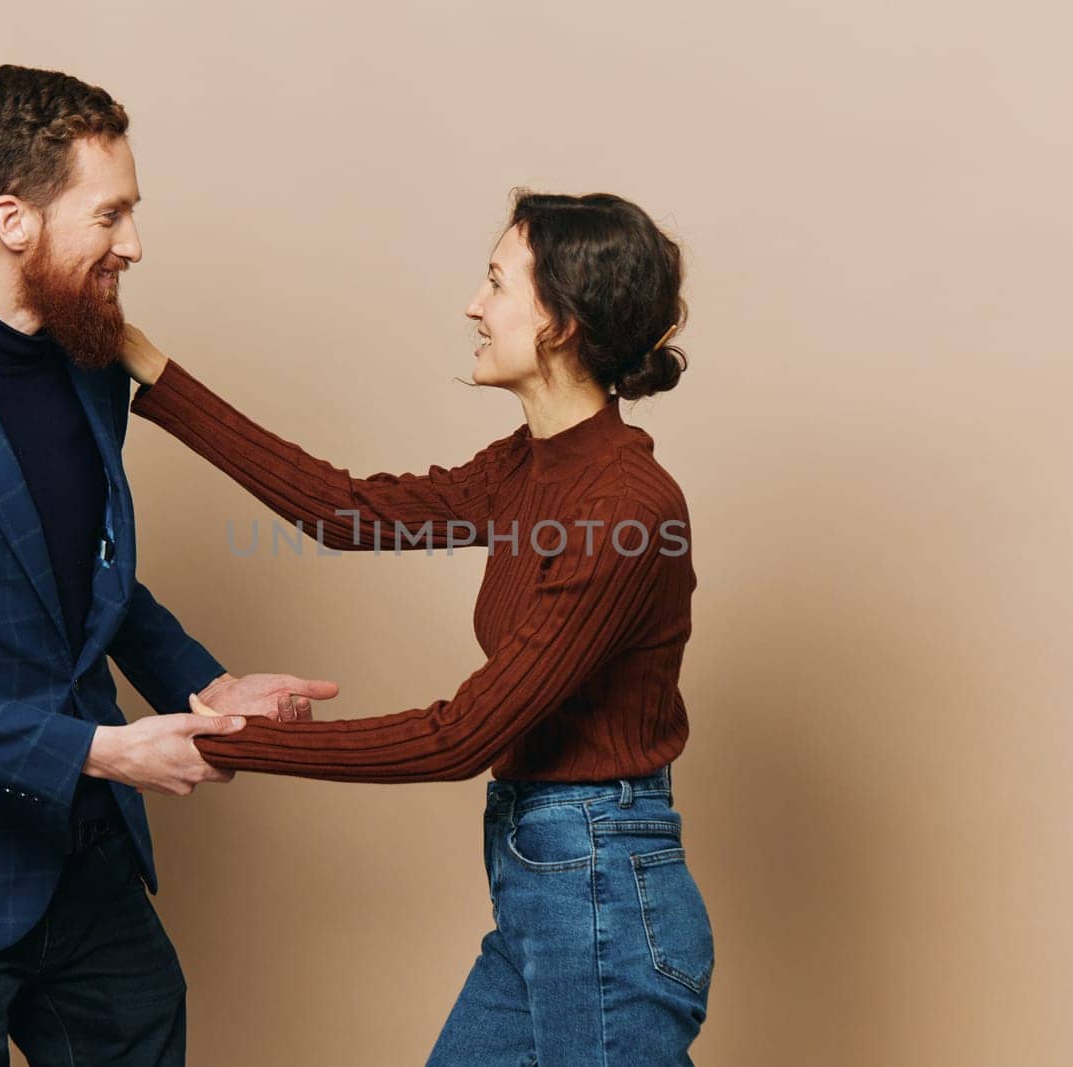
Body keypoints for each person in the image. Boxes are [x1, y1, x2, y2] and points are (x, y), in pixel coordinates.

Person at [0, 64, 334, 1066]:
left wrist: (200, 681)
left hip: (88, 872)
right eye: (110, 214)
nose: (133, 243)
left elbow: (83, 584)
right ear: (12, 219)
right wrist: (102, 749)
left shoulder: (95, 370)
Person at [119, 191, 712, 1064]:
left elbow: (459, 736)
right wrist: (146, 365)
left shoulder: (624, 509)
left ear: (560, 322)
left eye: (497, 283)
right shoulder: (528, 465)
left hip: (601, 895)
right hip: (546, 880)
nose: (474, 305)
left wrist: (227, 740)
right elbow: (346, 510)